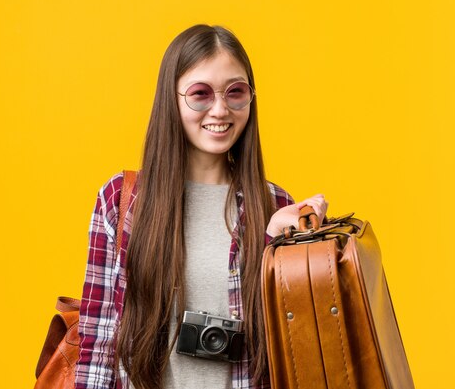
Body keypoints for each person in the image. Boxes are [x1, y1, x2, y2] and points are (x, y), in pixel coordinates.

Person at [75, 24, 329, 389]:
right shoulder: (122, 200)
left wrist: (282, 240)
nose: (221, 109)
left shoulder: (276, 206)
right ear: (172, 98)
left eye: (236, 92)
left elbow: (292, 348)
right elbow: (98, 341)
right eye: (201, 94)